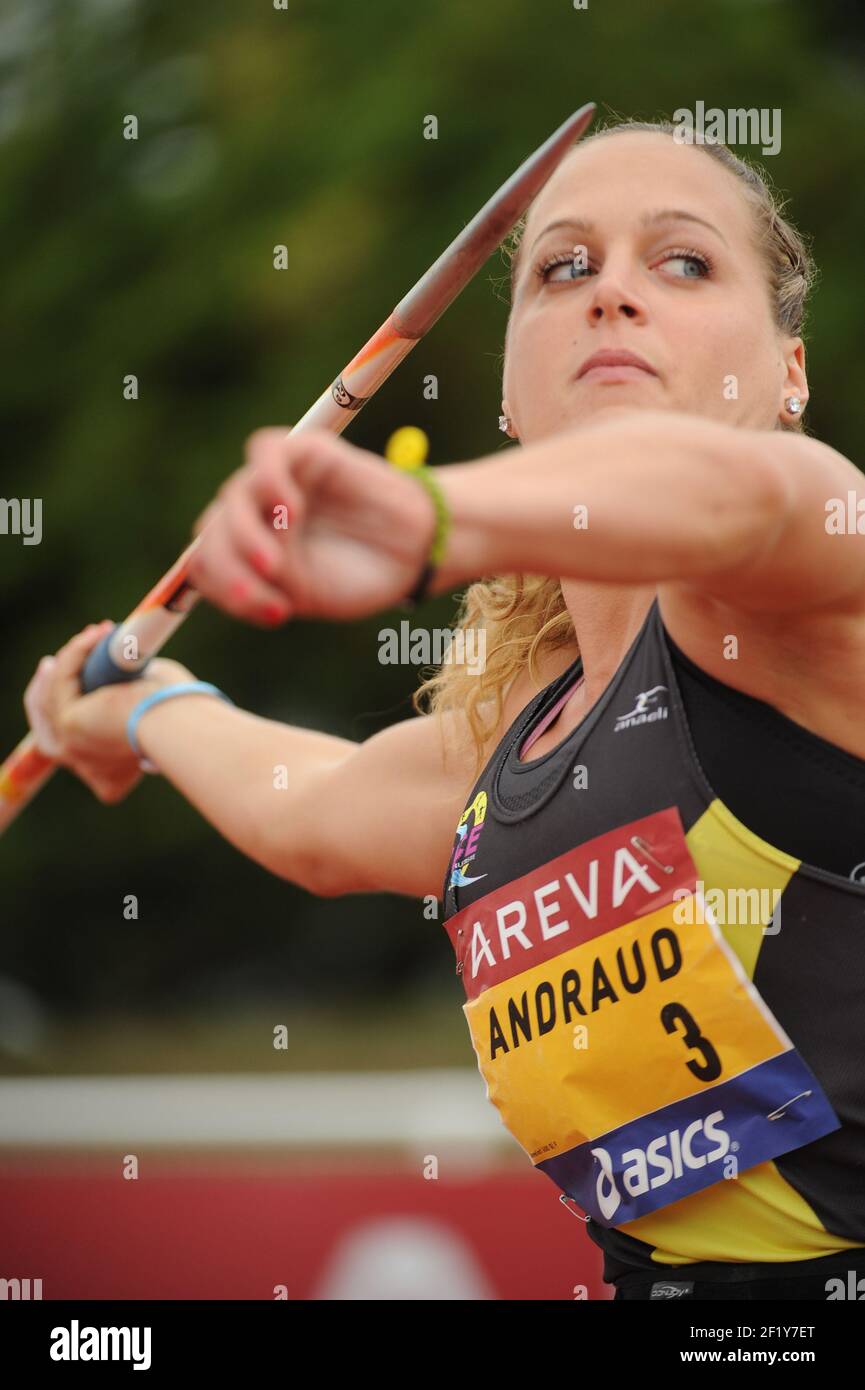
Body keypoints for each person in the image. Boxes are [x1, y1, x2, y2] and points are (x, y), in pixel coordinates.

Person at [25, 120, 865, 1301]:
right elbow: (313, 810)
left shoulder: (818, 573)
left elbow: (745, 500)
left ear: (789, 370)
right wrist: (144, 706)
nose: (613, 293)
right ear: (511, 390)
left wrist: (428, 518)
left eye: (683, 263)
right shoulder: (520, 738)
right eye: (564, 268)